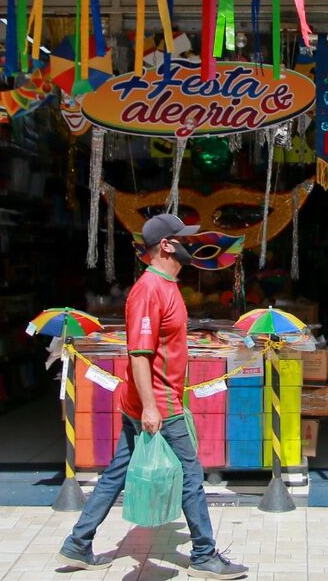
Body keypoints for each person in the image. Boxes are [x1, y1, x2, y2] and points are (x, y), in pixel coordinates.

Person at [57, 214, 248, 581]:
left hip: (152, 400)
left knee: (115, 474)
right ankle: (205, 555)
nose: (190, 245)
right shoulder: (149, 290)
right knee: (191, 475)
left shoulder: (167, 285)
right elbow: (139, 353)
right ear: (166, 245)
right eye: (184, 239)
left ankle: (78, 544)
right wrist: (150, 406)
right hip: (160, 402)